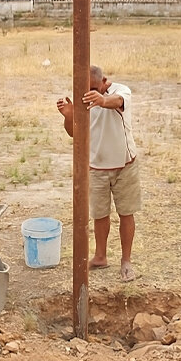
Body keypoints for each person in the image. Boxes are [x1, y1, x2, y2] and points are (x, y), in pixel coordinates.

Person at [56, 65, 141, 282]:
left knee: (126, 213)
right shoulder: (83, 99)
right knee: (100, 215)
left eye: (95, 88)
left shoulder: (120, 91)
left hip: (124, 166)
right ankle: (100, 256)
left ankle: (126, 262)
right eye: (87, 90)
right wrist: (68, 116)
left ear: (104, 81)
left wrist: (102, 100)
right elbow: (75, 132)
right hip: (96, 167)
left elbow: (118, 102)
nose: (91, 94)